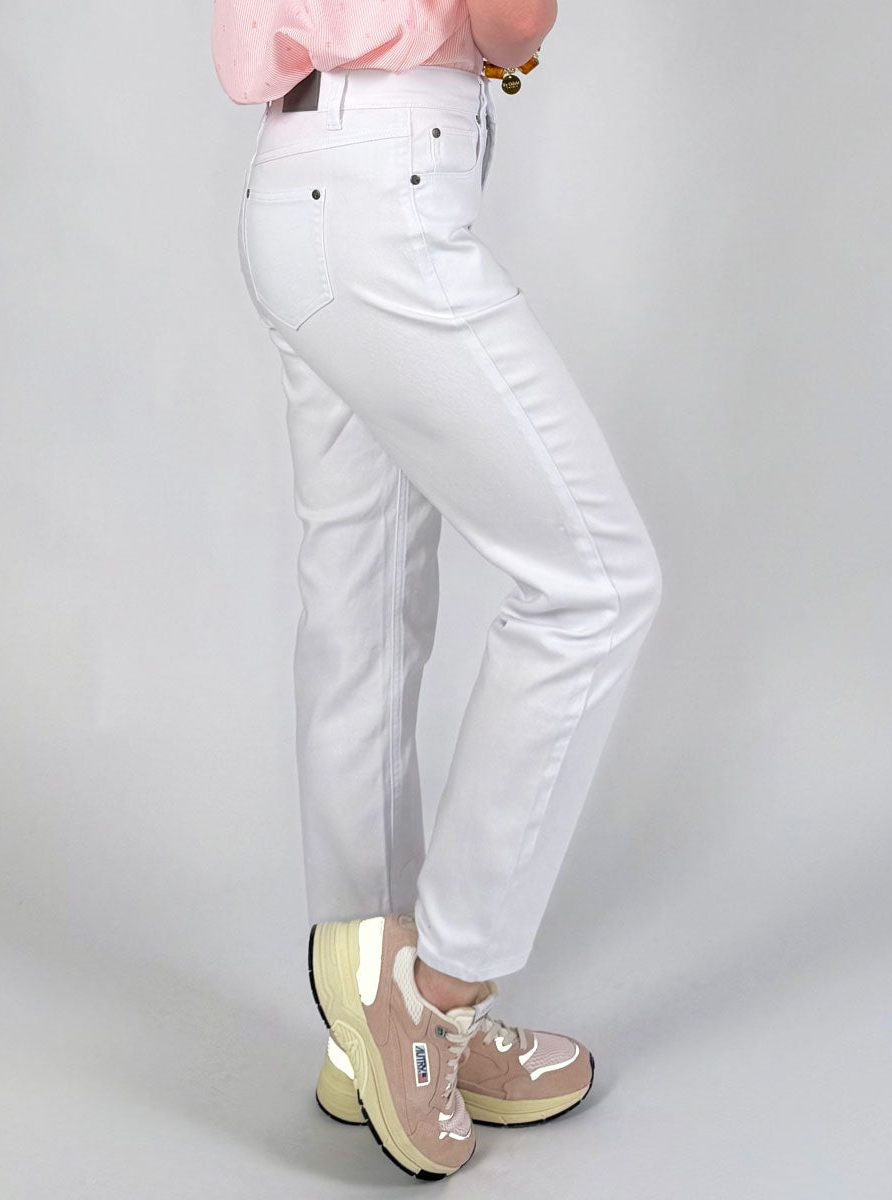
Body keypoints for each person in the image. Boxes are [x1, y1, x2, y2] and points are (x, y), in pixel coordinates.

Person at [212, 0, 663, 1180]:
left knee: (359, 607)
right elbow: (509, 24)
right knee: (596, 584)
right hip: (384, 195)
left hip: (294, 181)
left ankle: (364, 1015)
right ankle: (440, 996)